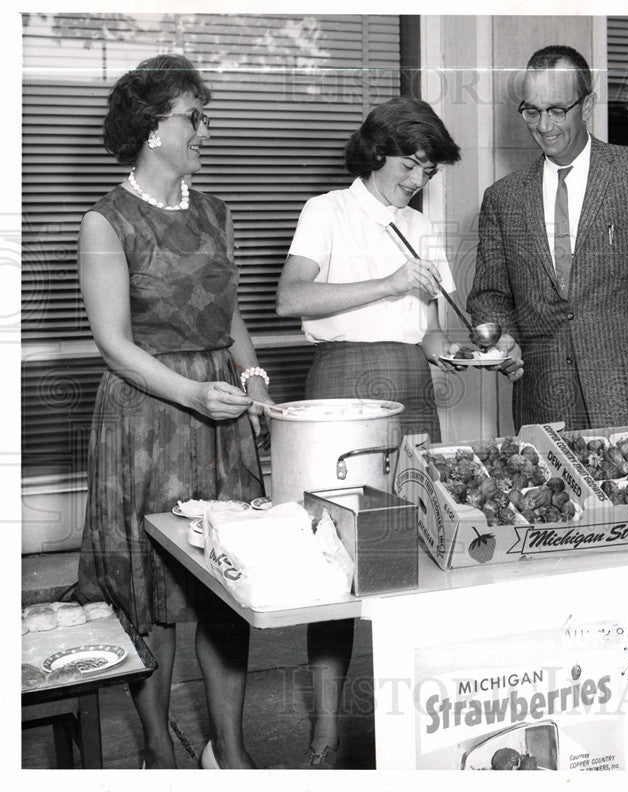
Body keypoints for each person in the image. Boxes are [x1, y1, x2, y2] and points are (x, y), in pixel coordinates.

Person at [464, 44, 628, 764]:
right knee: (549, 562)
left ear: (588, 103)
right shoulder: (503, 196)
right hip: (544, 409)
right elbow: (489, 295)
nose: (543, 126)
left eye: (557, 110)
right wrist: (493, 335)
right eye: (530, 112)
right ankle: (569, 721)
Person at [76, 54, 270, 769]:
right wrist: (191, 393)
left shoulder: (216, 211)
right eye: (195, 117)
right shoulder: (106, 221)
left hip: (221, 417)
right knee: (153, 590)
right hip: (149, 420)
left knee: (229, 584)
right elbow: (113, 344)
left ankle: (232, 751)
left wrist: (250, 377)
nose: (206, 132)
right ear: (154, 129)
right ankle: (159, 750)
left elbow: (231, 313)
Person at [275, 95, 463, 768]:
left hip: (411, 388)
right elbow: (291, 298)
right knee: (342, 568)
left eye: (428, 171)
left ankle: (411, 731)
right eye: (412, 165)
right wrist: (387, 283)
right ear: (379, 150)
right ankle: (327, 735)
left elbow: (433, 324)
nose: (418, 181)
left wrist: (449, 351)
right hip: (344, 389)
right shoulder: (327, 210)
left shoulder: (421, 226)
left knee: (414, 559)